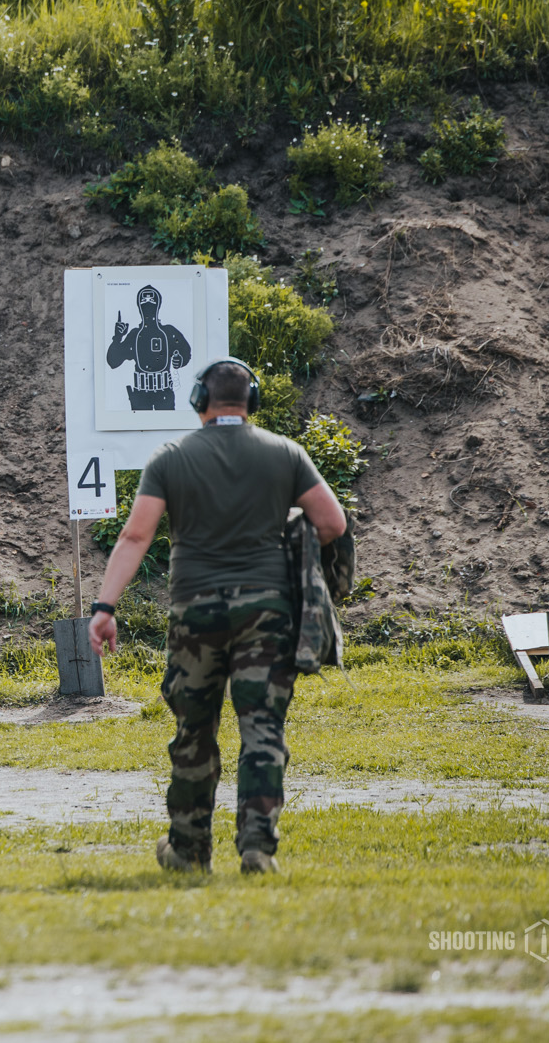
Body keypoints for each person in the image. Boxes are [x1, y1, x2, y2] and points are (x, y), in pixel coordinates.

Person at [87, 357, 345, 876]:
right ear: (251, 401)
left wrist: (104, 606)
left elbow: (135, 536)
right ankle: (256, 847)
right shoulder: (285, 452)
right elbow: (332, 522)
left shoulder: (171, 457)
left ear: (199, 401)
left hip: (195, 611)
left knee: (194, 730)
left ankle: (187, 851)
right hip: (266, 611)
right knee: (263, 728)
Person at [105, 284, 191, 411]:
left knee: (166, 428)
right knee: (139, 429)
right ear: (139, 306)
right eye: (143, 301)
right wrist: (117, 337)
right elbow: (113, 361)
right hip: (141, 395)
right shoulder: (135, 335)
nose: (148, 304)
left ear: (158, 304)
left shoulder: (168, 332)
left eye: (152, 300)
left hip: (164, 393)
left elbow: (186, 352)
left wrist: (180, 360)